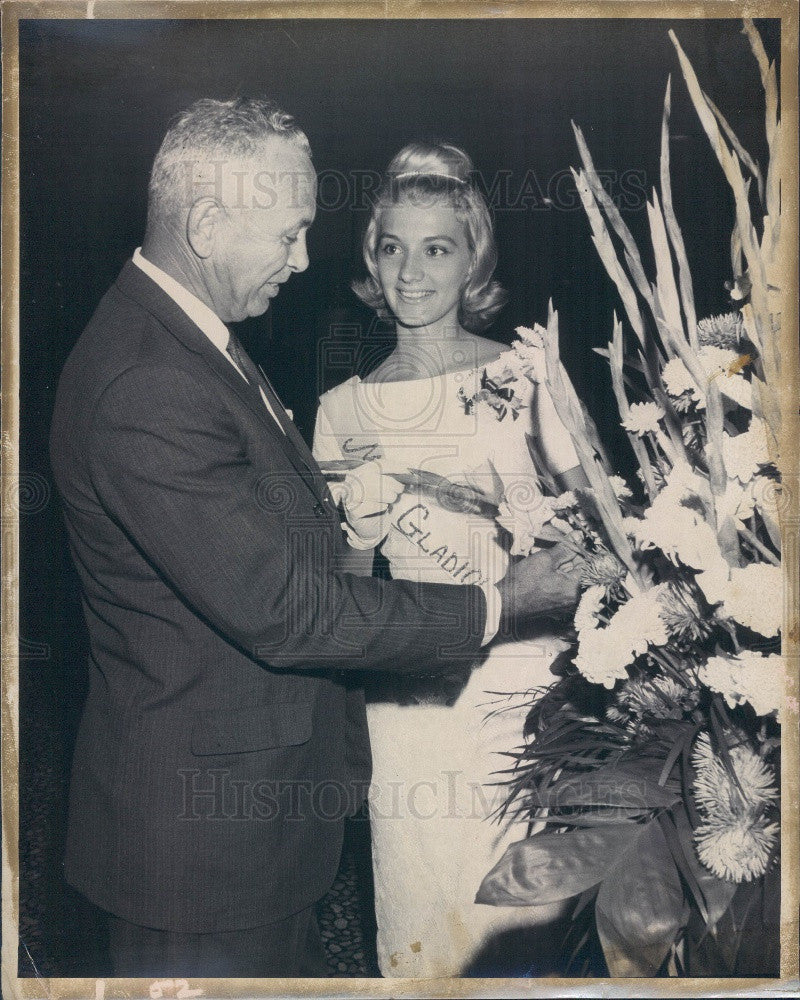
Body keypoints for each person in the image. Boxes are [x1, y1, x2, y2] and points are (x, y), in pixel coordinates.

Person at [49, 101, 583, 978]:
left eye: (437, 248)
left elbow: (279, 568)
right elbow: (295, 606)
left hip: (302, 795)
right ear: (209, 223)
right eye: (292, 233)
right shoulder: (152, 378)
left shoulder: (201, 346)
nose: (305, 261)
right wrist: (497, 594)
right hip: (205, 847)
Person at [313, 141, 589, 977]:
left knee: (531, 929)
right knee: (424, 934)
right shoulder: (341, 411)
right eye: (391, 247)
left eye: (436, 248)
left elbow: (596, 532)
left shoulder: (524, 372)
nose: (410, 272)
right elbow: (342, 610)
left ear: (473, 258)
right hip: (412, 714)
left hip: (525, 695)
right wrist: (359, 537)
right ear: (371, 258)